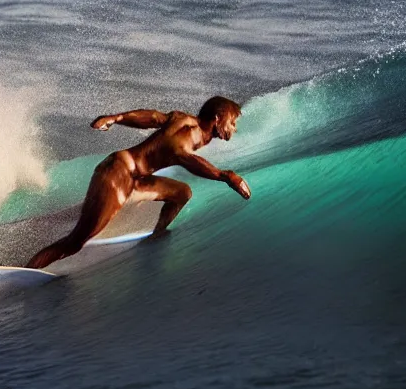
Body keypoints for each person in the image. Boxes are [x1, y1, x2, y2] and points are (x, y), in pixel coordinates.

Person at [26, 96, 251, 269]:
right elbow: (185, 158)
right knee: (76, 242)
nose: (234, 128)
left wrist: (117, 118)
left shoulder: (184, 120)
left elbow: (153, 117)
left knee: (182, 192)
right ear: (217, 119)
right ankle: (30, 269)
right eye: (232, 122)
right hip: (118, 174)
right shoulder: (188, 135)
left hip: (135, 178)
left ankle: (158, 233)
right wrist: (225, 176)